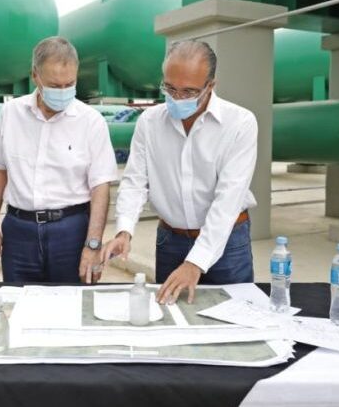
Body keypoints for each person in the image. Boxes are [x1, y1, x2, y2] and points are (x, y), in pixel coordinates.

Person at [102, 40, 258, 304]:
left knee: (232, 314)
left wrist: (195, 262)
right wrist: (124, 230)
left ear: (210, 86)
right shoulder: (150, 122)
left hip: (227, 243)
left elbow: (228, 200)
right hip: (170, 241)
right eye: (170, 88)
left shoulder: (240, 123)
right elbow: (135, 181)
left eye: (188, 92)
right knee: (170, 315)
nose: (177, 98)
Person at [0, 36, 117, 284]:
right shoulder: (11, 114)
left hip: (70, 232)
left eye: (70, 84)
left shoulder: (91, 122)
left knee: (69, 303)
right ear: (35, 76)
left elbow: (100, 187)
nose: (63, 92)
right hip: (19, 232)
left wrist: (93, 244)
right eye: (55, 85)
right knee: (19, 300)